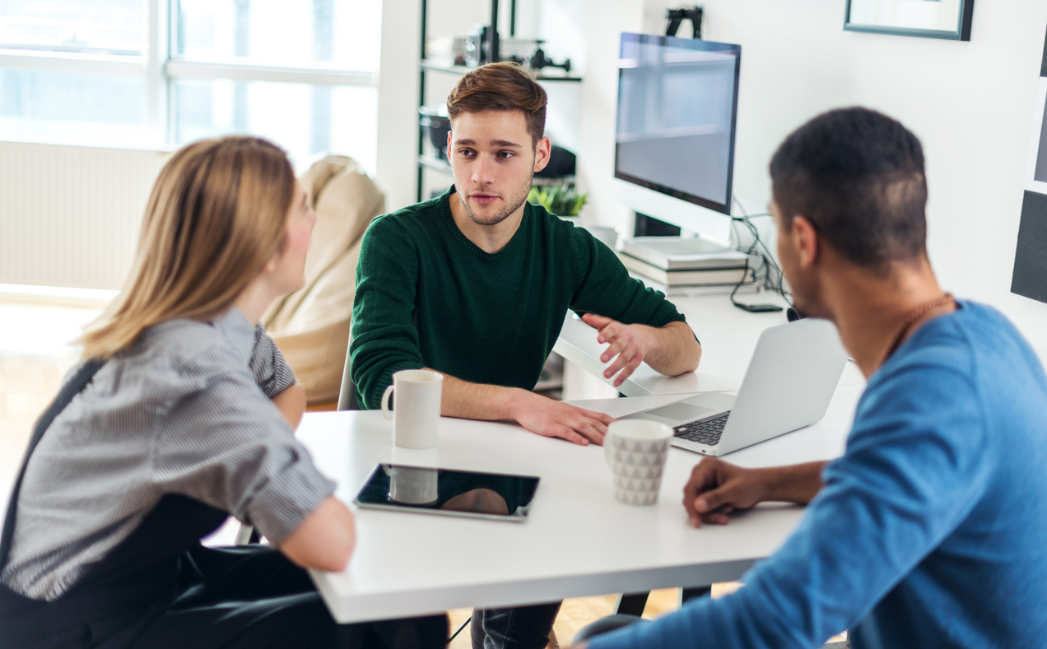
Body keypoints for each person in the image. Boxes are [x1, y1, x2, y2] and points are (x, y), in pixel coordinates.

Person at [571, 107, 1047, 649]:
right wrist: (766, 483)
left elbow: (778, 620)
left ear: (803, 240)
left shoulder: (933, 396)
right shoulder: (984, 336)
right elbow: (894, 476)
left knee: (603, 636)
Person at [0, 136, 448, 649]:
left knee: (390, 597)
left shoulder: (216, 325)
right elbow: (333, 541)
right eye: (303, 209)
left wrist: (257, 463)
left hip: (153, 580)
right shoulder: (189, 369)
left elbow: (288, 393)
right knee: (391, 623)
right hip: (75, 625)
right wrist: (266, 469)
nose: (314, 223)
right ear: (260, 244)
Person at [349, 62, 702, 649]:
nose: (481, 174)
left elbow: (684, 343)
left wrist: (645, 340)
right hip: (403, 464)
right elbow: (382, 378)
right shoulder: (397, 239)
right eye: (466, 151)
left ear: (541, 155)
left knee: (547, 564)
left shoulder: (564, 247)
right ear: (448, 148)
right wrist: (519, 404)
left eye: (504, 154)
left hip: (504, 470)